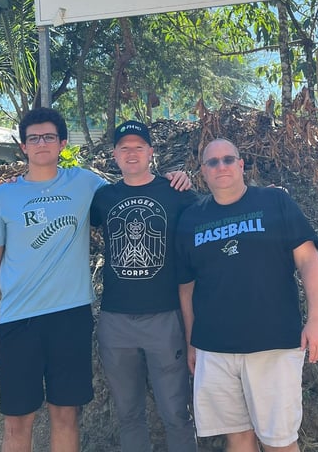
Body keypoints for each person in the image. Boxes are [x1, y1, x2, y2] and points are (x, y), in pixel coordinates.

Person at [0, 108, 189, 452]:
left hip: (70, 317)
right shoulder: (3, 197)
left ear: (62, 143)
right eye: (34, 138)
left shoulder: (85, 183)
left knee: (66, 416)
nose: (41, 143)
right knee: (17, 423)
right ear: (23, 147)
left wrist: (176, 178)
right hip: (18, 320)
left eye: (49, 137)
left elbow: (134, 184)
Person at [176, 138, 318, 452]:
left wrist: (316, 319)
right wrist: (192, 340)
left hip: (272, 344)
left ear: (242, 164)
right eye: (212, 162)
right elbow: (186, 286)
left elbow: (309, 260)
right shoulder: (191, 218)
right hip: (214, 349)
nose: (221, 166)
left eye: (228, 159)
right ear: (202, 171)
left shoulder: (275, 202)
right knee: (237, 438)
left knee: (279, 441)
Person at [90, 120, 198, 452]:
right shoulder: (103, 197)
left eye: (139, 147)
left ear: (151, 152)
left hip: (164, 319)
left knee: (176, 413)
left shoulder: (177, 193)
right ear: (114, 155)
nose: (132, 153)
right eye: (124, 148)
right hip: (115, 321)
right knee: (128, 414)